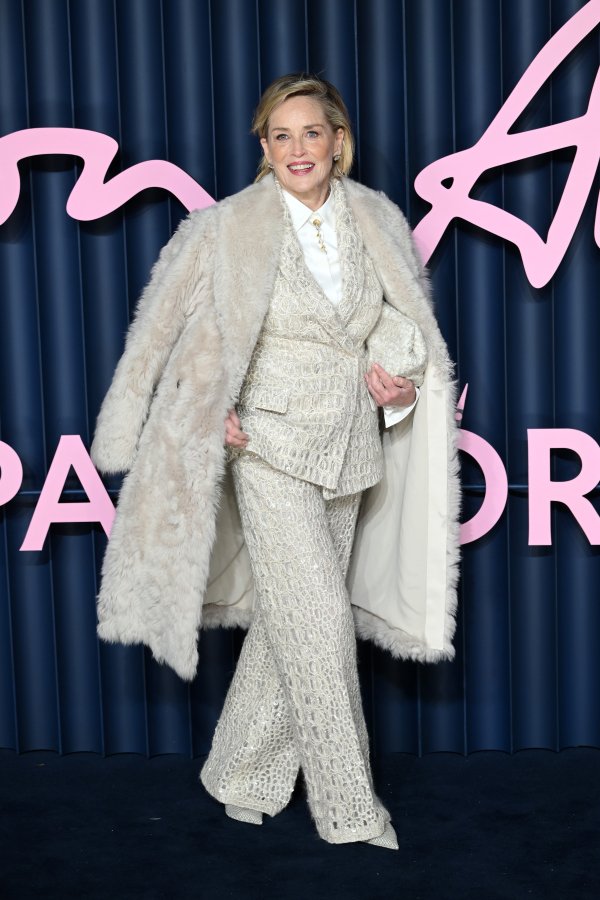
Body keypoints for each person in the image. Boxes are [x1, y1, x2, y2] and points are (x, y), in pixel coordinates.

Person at [90, 73, 460, 851]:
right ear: (264, 145)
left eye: (311, 133)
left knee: (288, 623)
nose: (298, 149)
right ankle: (350, 808)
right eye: (281, 135)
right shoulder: (226, 227)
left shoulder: (377, 218)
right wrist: (206, 404)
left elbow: (401, 324)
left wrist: (395, 379)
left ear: (337, 141)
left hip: (352, 448)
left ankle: (238, 773)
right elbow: (176, 330)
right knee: (320, 626)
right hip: (265, 447)